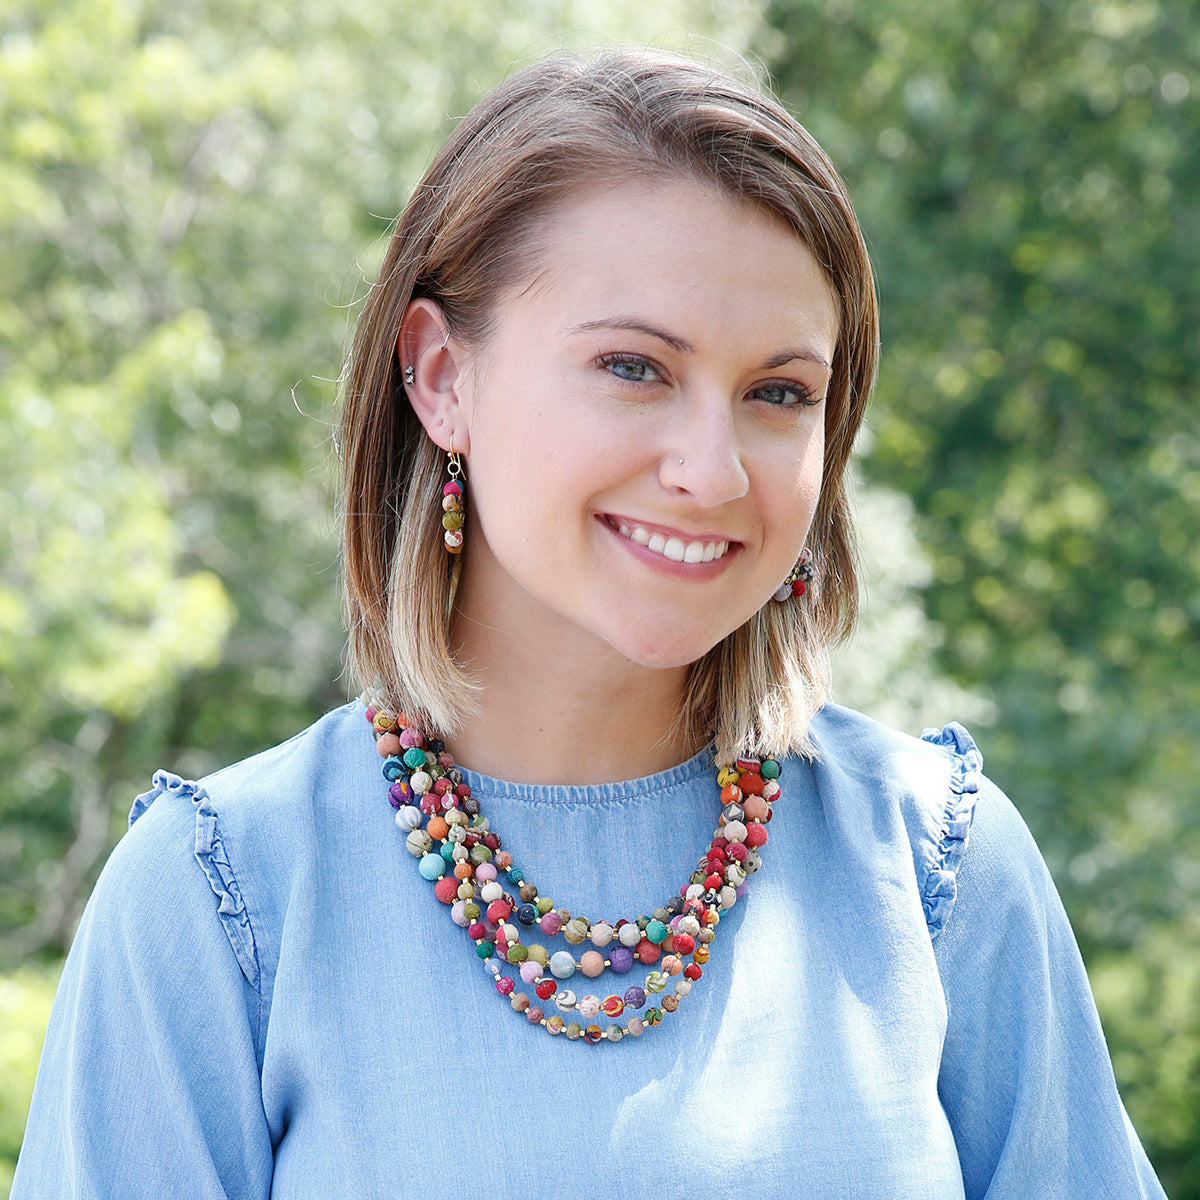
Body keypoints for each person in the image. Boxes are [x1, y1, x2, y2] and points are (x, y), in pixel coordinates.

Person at [14, 48, 1166, 1200]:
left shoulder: (934, 868)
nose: (711, 472)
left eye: (780, 393)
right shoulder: (225, 903)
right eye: (633, 367)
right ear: (440, 376)